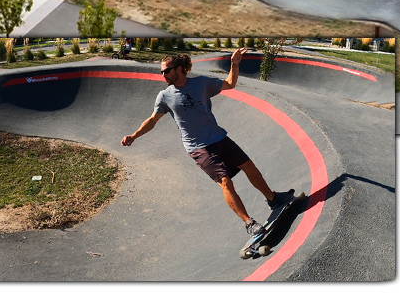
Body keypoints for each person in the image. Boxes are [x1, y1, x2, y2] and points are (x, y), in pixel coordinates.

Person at [121, 47, 293, 240]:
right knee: (225, 182)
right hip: (198, 148)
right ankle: (249, 223)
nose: (163, 75)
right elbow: (153, 120)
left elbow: (229, 83)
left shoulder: (201, 84)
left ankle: (273, 199)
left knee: (249, 166)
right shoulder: (165, 96)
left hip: (219, 137)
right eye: (161, 72)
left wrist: (234, 65)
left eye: (166, 70)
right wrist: (134, 136)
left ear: (179, 69)